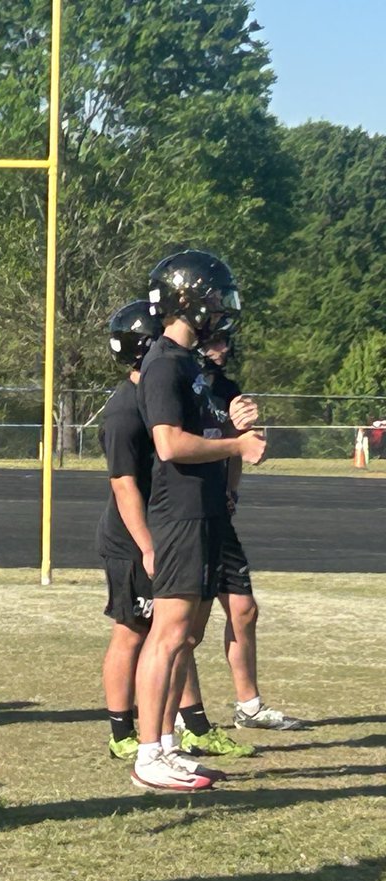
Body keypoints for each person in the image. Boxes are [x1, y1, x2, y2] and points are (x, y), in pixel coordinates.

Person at [132, 249, 266, 792]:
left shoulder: (191, 365)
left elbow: (205, 433)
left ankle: (166, 745)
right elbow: (168, 444)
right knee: (167, 635)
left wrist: (235, 424)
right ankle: (148, 754)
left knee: (183, 636)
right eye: (213, 297)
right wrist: (236, 445)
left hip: (203, 512)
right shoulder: (165, 362)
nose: (220, 308)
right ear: (188, 300)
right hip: (181, 515)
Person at [188, 333, 303, 733]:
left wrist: (232, 488)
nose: (224, 349)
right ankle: (182, 714)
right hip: (188, 513)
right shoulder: (180, 381)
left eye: (226, 340)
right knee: (188, 625)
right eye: (216, 341)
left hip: (217, 511)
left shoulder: (226, 388)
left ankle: (249, 706)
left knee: (244, 609)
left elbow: (243, 447)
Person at [96, 300, 161, 762]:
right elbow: (123, 484)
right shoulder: (124, 412)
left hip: (159, 534)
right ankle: (121, 731)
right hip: (131, 541)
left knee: (164, 632)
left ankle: (176, 722)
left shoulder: (156, 399)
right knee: (132, 631)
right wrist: (147, 546)